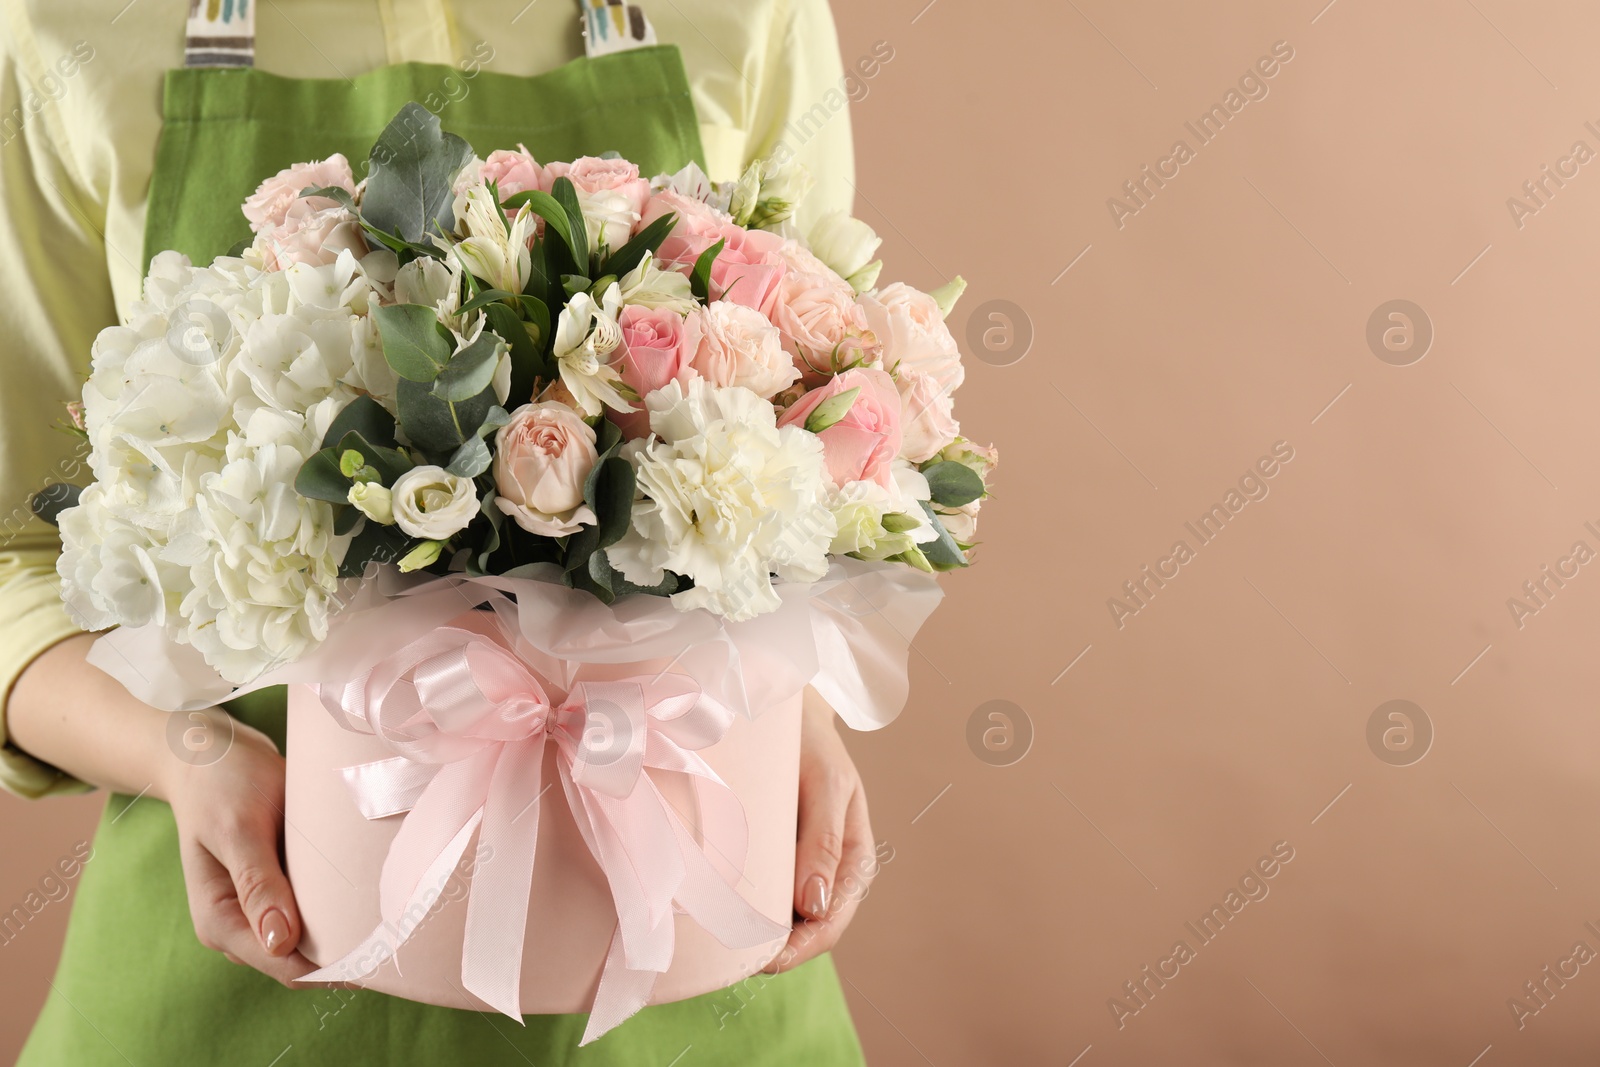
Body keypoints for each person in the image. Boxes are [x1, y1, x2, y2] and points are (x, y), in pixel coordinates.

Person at [0, 2, 876, 1062]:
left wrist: (803, 724)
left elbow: (814, 454)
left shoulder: (749, 14)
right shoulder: (64, 26)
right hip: (249, 934)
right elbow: (15, 553)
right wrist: (181, 751)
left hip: (685, 924)